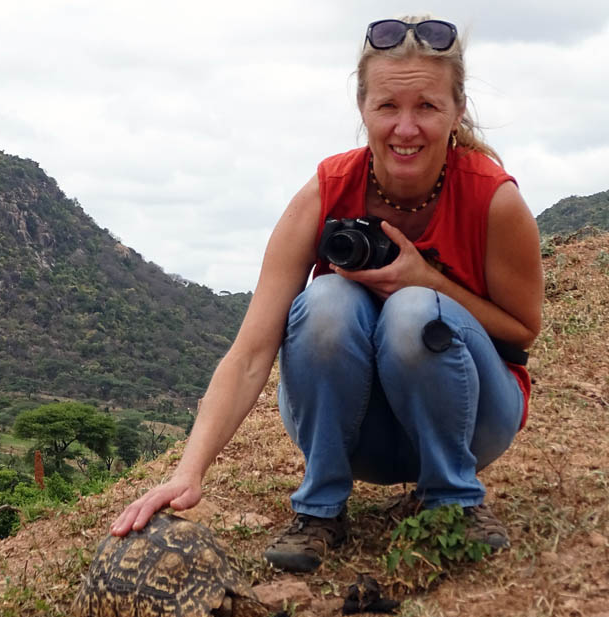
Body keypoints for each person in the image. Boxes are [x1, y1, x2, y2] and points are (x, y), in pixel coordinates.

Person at [112, 16, 543, 573]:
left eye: (427, 107)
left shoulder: (493, 199)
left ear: (456, 111)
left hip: (470, 420)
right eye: (388, 106)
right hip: (357, 430)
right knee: (326, 302)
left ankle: (453, 503)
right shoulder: (326, 191)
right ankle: (320, 510)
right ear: (363, 109)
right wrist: (187, 472)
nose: (406, 128)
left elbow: (522, 331)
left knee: (414, 312)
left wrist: (427, 283)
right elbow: (249, 354)